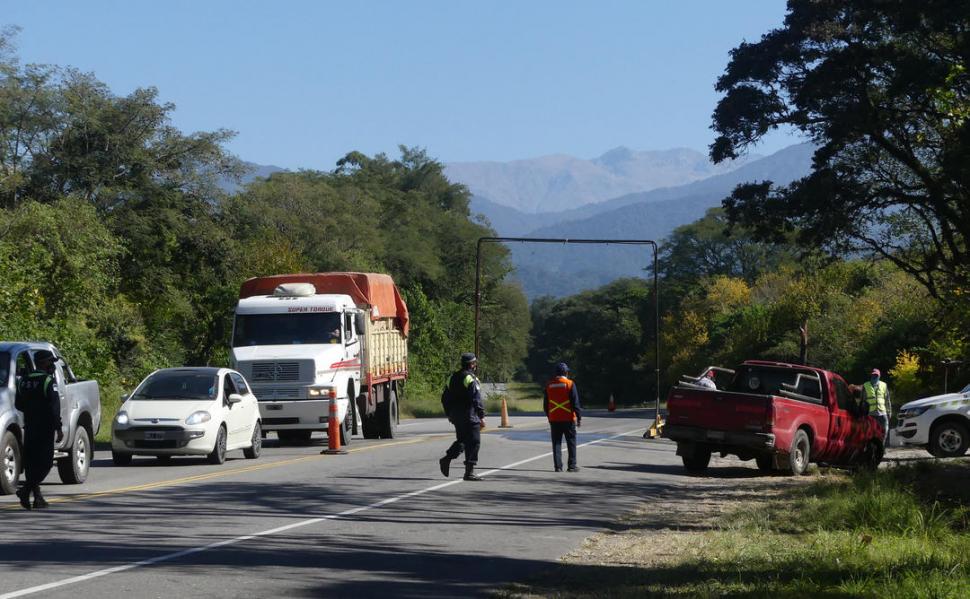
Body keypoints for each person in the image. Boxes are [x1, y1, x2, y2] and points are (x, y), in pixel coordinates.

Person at [14, 350, 63, 510]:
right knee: (46, 463)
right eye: (50, 362)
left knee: (31, 463)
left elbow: (18, 404)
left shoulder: (23, 381)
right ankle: (26, 490)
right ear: (43, 363)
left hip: (29, 427)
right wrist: (59, 428)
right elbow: (55, 408)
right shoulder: (48, 381)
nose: (52, 366)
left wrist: (32, 410)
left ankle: (37, 498)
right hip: (45, 429)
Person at [438, 353, 486, 481]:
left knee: (463, 440)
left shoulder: (452, 377)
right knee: (474, 442)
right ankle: (469, 472)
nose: (475, 366)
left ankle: (447, 459)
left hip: (456, 416)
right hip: (469, 415)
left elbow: (444, 398)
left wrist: (449, 413)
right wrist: (481, 416)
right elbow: (476, 398)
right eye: (475, 363)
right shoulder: (470, 379)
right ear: (472, 364)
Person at [544, 362, 582, 472]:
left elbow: (546, 404)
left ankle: (558, 466)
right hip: (568, 418)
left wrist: (549, 416)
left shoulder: (549, 385)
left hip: (554, 419)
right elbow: (575, 403)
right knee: (571, 442)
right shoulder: (570, 384)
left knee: (556, 442)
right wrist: (579, 417)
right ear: (566, 372)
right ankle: (572, 465)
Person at [863, 368, 890, 441]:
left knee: (885, 430)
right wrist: (863, 413)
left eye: (876, 375)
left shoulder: (884, 385)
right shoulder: (866, 385)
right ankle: (872, 448)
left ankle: (882, 446)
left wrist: (889, 412)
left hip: (882, 412)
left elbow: (887, 400)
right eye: (873, 375)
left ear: (879, 376)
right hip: (870, 414)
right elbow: (863, 401)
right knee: (870, 433)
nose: (874, 376)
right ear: (871, 376)